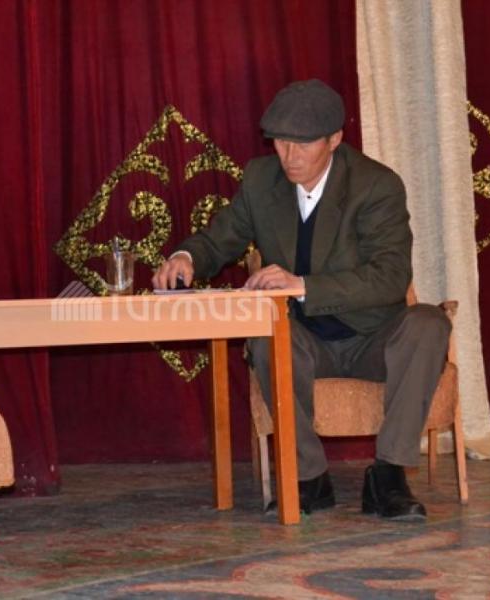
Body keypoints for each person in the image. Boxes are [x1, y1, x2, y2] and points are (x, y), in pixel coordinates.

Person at [152, 79, 451, 521]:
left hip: (374, 339)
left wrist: (302, 284)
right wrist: (186, 257)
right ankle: (308, 479)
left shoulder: (375, 185)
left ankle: (389, 476)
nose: (290, 156)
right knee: (265, 334)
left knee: (429, 323)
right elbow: (219, 239)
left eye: (304, 144)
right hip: (305, 343)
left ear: (334, 139)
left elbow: (390, 278)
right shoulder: (261, 180)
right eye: (281, 142)